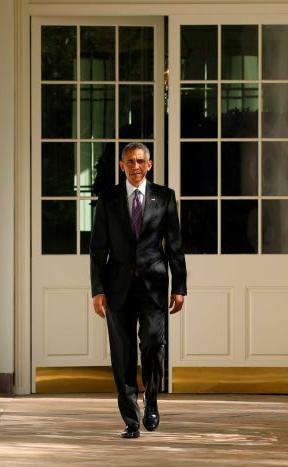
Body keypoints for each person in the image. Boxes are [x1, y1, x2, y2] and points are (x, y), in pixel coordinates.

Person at [89, 142, 187, 438]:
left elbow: (175, 245)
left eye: (140, 161)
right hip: (117, 287)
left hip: (154, 286)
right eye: (129, 161)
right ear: (122, 166)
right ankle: (131, 419)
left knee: (153, 345)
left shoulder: (165, 198)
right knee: (123, 353)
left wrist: (179, 286)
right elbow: (98, 249)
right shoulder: (109, 199)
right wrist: (97, 290)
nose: (135, 166)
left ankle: (152, 401)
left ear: (150, 165)